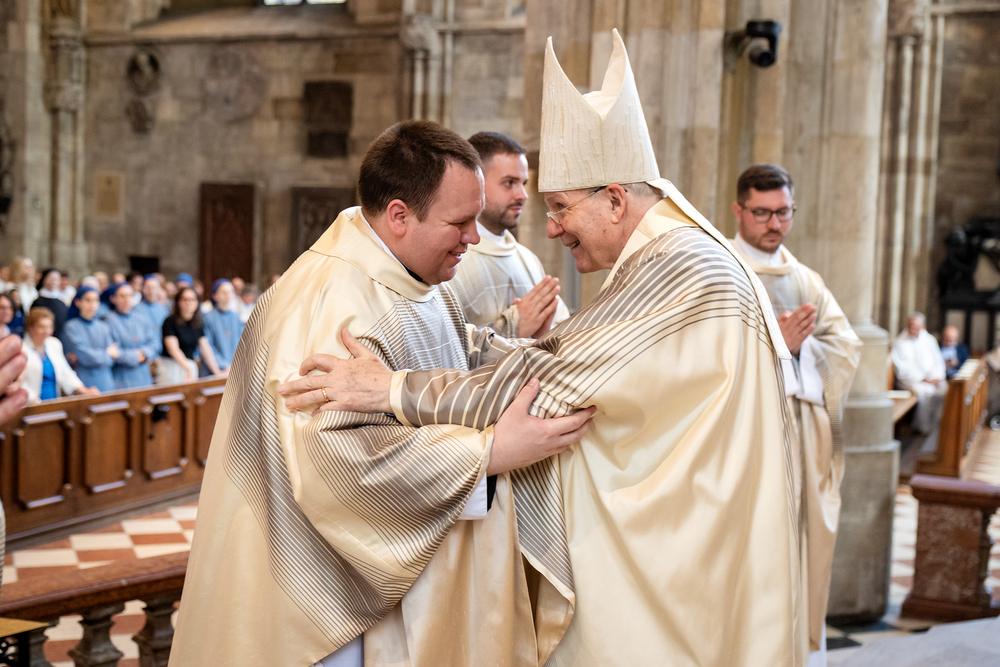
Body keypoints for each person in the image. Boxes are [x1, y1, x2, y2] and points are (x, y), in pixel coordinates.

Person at [280, 31, 805, 667]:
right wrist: (469, 345)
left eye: (559, 207)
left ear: (616, 199)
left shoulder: (680, 263)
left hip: (683, 550)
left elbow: (549, 382)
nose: (551, 227)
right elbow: (566, 350)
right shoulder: (676, 252)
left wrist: (389, 388)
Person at [170, 120, 594, 667]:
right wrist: (489, 453)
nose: (473, 238)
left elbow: (457, 349)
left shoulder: (406, 272)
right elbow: (339, 463)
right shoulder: (334, 303)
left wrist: (559, 360)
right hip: (324, 604)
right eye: (460, 223)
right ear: (398, 215)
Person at [730, 163, 861, 665]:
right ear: (739, 211)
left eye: (784, 212)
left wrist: (802, 351)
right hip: (741, 441)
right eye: (762, 213)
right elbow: (701, 357)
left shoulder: (806, 281)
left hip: (801, 445)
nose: (775, 224)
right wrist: (775, 347)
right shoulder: (723, 270)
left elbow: (845, 348)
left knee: (798, 551)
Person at [448, 132, 569, 337]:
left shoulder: (528, 259)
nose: (523, 195)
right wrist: (511, 327)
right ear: (475, 183)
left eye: (523, 183)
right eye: (509, 183)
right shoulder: (452, 260)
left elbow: (561, 329)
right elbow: (445, 343)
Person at [21, 307, 97, 403]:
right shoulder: (22, 350)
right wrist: (33, 400)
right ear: (30, 328)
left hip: (54, 401)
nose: (46, 331)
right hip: (31, 404)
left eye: (49, 327)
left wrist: (81, 389)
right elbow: (20, 382)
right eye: (41, 327)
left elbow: (65, 372)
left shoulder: (54, 344)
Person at [892, 313, 948, 435]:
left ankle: (937, 424)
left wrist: (937, 377)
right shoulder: (900, 342)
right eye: (911, 326)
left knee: (944, 390)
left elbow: (938, 361)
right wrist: (924, 379)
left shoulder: (929, 340)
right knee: (925, 392)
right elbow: (902, 369)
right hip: (912, 381)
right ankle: (923, 427)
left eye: (916, 327)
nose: (913, 329)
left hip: (931, 378)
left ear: (923, 327)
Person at [159, 286, 224, 384]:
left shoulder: (198, 322)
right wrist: (187, 369)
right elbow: (173, 349)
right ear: (178, 302)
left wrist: (216, 371)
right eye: (185, 299)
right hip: (172, 366)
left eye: (192, 299)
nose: (189, 303)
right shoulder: (170, 322)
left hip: (189, 364)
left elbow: (205, 348)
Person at [61, 286, 117, 392]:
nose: (92, 304)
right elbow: (85, 356)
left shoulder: (104, 326)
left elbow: (113, 357)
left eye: (96, 300)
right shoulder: (71, 327)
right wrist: (106, 353)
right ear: (78, 302)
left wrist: (101, 355)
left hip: (105, 380)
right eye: (88, 300)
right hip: (84, 381)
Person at [104, 283, 157, 390]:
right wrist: (135, 356)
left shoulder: (141, 319)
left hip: (143, 375)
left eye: (129, 295)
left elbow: (154, 343)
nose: (127, 299)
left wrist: (144, 353)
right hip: (121, 377)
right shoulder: (108, 321)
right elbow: (113, 352)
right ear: (113, 299)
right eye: (122, 296)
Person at [201, 279, 244, 373]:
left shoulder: (236, 316)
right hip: (215, 370)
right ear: (215, 295)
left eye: (231, 292)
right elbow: (207, 346)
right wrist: (224, 365)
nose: (228, 295)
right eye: (224, 292)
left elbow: (242, 342)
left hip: (235, 369)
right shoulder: (208, 317)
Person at [32, 268, 70, 339]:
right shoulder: (38, 302)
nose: (54, 281)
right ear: (44, 279)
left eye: (56, 279)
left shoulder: (62, 303)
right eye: (51, 279)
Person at [132, 275, 170, 342]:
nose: (151, 291)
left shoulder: (163, 309)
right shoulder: (136, 310)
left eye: (154, 288)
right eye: (148, 288)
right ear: (143, 289)